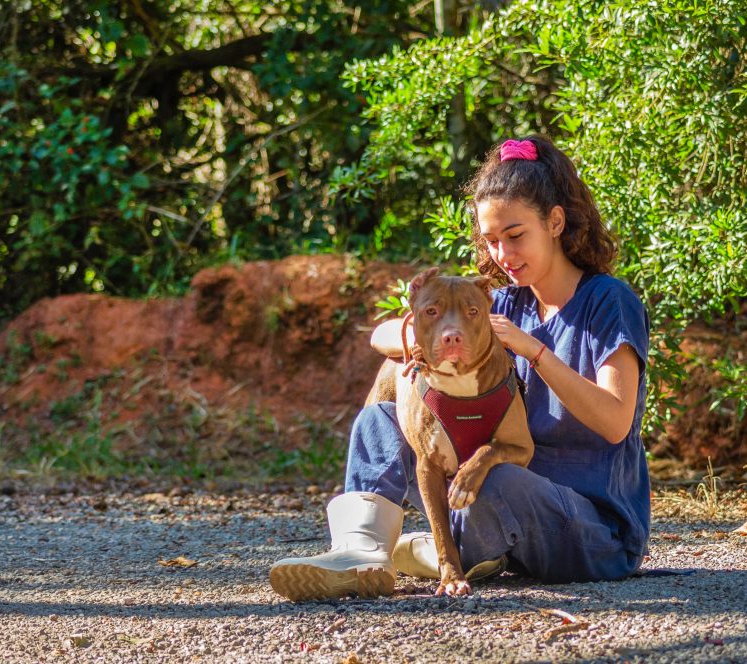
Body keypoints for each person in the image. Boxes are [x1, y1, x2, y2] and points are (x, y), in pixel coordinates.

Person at [269, 135, 651, 601]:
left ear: (554, 222)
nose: (503, 256)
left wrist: (535, 352)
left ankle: (443, 551)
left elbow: (615, 422)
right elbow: (381, 335)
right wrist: (412, 338)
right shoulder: (504, 301)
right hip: (494, 504)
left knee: (499, 476)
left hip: (590, 532)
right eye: (491, 241)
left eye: (515, 236)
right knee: (379, 420)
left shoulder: (609, 302)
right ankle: (361, 552)